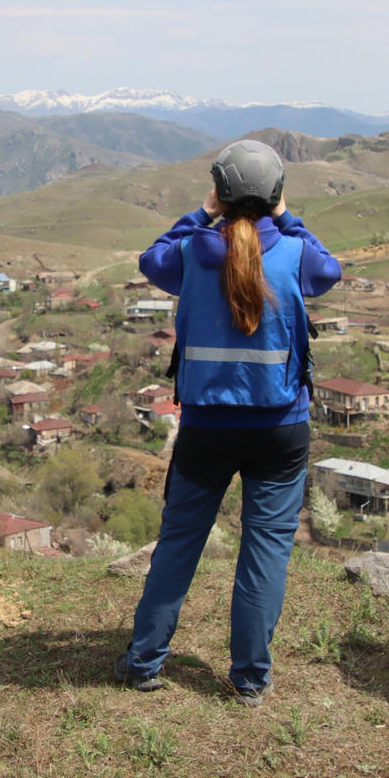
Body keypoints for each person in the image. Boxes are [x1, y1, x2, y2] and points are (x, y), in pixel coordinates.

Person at [116, 140, 342, 705]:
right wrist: (285, 216)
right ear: (275, 194)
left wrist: (202, 211)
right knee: (265, 551)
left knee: (179, 544)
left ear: (220, 190)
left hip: (207, 429)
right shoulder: (294, 253)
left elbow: (150, 259)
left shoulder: (191, 251)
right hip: (281, 427)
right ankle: (249, 679)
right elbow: (329, 269)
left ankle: (145, 661)